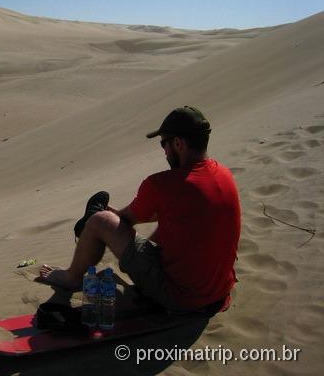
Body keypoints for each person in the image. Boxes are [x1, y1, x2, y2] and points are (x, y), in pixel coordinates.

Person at [40, 106, 241, 313]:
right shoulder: (225, 175)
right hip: (218, 292)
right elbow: (174, 211)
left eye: (164, 143)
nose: (163, 151)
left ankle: (71, 278)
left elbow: (126, 219)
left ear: (178, 143)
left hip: (181, 298)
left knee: (99, 221)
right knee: (160, 230)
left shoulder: (162, 184)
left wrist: (108, 218)